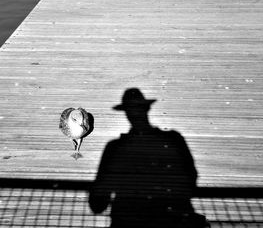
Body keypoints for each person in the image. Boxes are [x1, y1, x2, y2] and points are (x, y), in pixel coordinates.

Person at [89, 88, 210, 228]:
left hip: (130, 221)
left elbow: (98, 203)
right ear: (147, 108)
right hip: (171, 219)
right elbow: (190, 179)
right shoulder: (172, 140)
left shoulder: (115, 148)